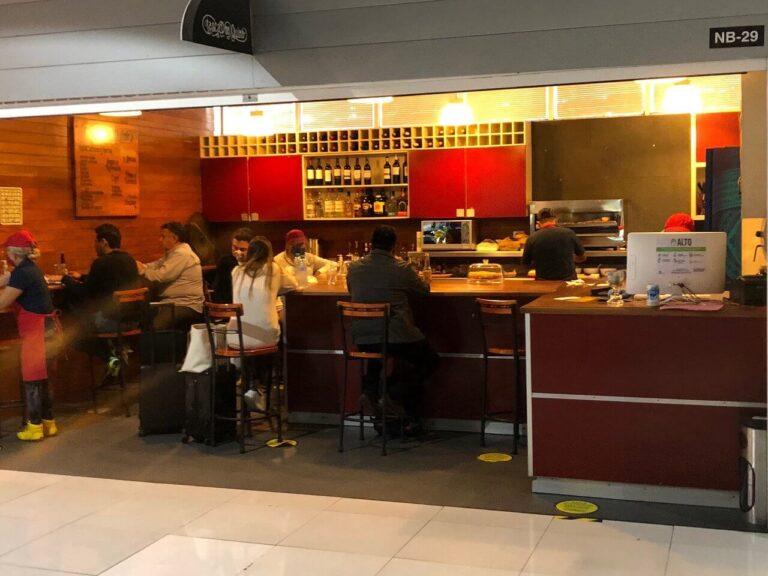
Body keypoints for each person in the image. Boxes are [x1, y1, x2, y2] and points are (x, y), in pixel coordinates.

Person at [346, 225, 439, 434]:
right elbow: (424, 291)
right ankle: (393, 393)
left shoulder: (354, 268)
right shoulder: (402, 269)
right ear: (394, 246)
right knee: (430, 361)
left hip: (363, 338)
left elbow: (353, 290)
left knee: (378, 357)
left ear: (371, 244)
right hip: (396, 336)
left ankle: (374, 389)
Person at [0, 231, 57, 441]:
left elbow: (2, 302)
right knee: (42, 378)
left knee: (32, 378)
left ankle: (34, 427)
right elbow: (6, 281)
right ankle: (48, 423)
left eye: (6, 251)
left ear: (13, 253)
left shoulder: (22, 273)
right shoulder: (29, 269)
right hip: (48, 328)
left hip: (36, 329)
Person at [63, 223, 140, 330]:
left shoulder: (100, 262)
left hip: (111, 322)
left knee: (70, 306)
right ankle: (114, 345)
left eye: (96, 241)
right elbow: (109, 279)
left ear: (104, 242)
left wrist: (65, 279)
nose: (94, 245)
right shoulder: (130, 260)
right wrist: (81, 276)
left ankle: (92, 346)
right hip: (134, 321)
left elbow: (85, 293)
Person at [228, 237, 298, 349]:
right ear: (269, 253)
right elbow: (293, 284)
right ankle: (278, 365)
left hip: (235, 338)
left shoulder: (236, 271)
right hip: (265, 338)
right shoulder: (273, 268)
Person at [137, 221, 204, 331]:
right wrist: (142, 266)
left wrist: (142, 270)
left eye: (163, 236)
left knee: (155, 326)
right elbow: (156, 264)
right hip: (172, 302)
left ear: (174, 238)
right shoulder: (173, 253)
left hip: (185, 304)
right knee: (143, 317)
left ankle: (161, 348)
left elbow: (161, 276)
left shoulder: (182, 254)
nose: (160, 240)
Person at [522, 208, 586, 280]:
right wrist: (568, 258)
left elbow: (526, 264)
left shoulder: (532, 238)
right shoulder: (569, 233)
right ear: (555, 220)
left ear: (539, 223)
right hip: (568, 281)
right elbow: (582, 257)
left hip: (544, 282)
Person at [211, 227, 255, 303]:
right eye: (234, 247)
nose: (237, 252)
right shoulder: (225, 262)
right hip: (230, 305)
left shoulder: (256, 263)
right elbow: (219, 290)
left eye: (242, 249)